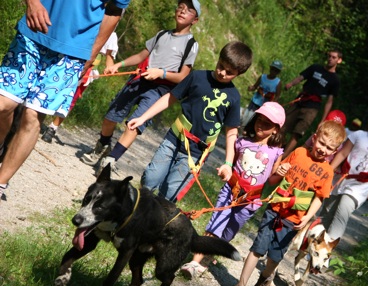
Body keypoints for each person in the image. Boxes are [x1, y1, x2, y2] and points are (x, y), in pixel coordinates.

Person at [0, 0, 129, 202]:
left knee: (33, 116)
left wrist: (91, 54)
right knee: (3, 105)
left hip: (73, 51)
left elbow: (113, 11)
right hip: (32, 34)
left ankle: (1, 182)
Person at [226, 120, 347, 286]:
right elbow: (273, 180)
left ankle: (266, 277)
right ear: (314, 138)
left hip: (293, 220)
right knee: (258, 248)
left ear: (335, 152)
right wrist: (280, 171)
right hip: (274, 210)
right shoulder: (299, 152)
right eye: (321, 143)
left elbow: (319, 198)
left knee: (274, 257)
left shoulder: (327, 172)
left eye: (329, 148)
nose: (323, 149)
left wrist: (307, 217)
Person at [81, 0, 201, 173]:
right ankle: (103, 145)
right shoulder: (161, 35)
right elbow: (140, 56)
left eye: (188, 11)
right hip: (140, 80)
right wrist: (118, 64)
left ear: (194, 20)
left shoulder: (191, 44)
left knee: (135, 124)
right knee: (111, 116)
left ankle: (110, 160)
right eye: (180, 8)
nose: (182, 12)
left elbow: (183, 76)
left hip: (160, 90)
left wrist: (161, 73)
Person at [127, 41, 253, 202]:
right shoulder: (197, 76)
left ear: (239, 73)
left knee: (169, 194)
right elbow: (170, 98)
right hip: (173, 139)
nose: (222, 72)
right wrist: (143, 117)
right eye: (221, 66)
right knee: (150, 179)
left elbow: (231, 132)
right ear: (219, 58)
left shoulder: (233, 97)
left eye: (229, 72)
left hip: (196, 154)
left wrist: (228, 163)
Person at [180, 102, 285, 279]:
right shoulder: (242, 142)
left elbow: (271, 180)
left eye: (267, 124)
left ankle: (210, 253)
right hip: (231, 191)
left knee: (229, 232)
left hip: (250, 201)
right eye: (260, 120)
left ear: (275, 129)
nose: (261, 125)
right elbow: (231, 163)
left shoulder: (276, 152)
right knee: (216, 225)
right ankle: (195, 262)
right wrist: (225, 171)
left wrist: (281, 174)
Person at [318, 111, 368, 243]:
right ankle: (313, 243)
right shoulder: (359, 135)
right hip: (340, 180)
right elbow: (343, 154)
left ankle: (327, 250)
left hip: (359, 187)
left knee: (342, 213)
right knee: (326, 212)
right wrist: (329, 170)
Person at [41, 31, 120, 143]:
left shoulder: (111, 35)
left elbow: (109, 58)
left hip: (86, 71)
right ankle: (38, 116)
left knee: (71, 99)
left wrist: (110, 67)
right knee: (51, 88)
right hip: (69, 59)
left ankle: (53, 128)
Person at [281, 49, 342, 158]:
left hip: (313, 107)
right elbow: (301, 78)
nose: (330, 59)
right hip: (300, 100)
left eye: (333, 57)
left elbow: (329, 101)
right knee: (283, 126)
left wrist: (323, 120)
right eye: (329, 56)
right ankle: (276, 147)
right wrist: (291, 84)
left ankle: (284, 156)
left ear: (339, 60)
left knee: (298, 132)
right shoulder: (315, 68)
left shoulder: (335, 80)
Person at [240, 60, 283, 130]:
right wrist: (251, 88)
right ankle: (242, 129)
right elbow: (255, 86)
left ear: (278, 72)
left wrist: (272, 104)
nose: (273, 72)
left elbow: (277, 95)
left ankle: (248, 131)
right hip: (255, 101)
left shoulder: (278, 82)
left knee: (256, 120)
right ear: (270, 68)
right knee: (247, 116)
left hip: (264, 106)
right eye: (272, 69)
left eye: (276, 70)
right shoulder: (263, 77)